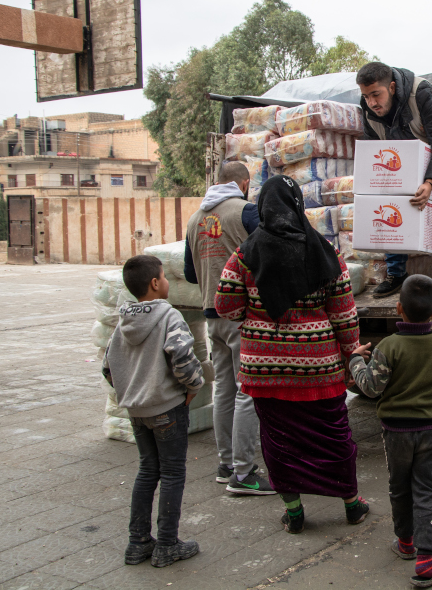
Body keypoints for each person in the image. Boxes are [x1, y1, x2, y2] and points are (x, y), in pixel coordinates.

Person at [214, 175, 368, 534]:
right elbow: (344, 314)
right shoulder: (325, 253)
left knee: (278, 441)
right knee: (334, 436)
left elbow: (224, 305)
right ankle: (351, 503)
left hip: (265, 371)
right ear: (298, 205)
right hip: (320, 369)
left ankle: (294, 512)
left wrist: (253, 318)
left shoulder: (245, 255)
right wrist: (351, 355)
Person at [350, 275, 432, 588]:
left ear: (398, 308)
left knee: (399, 486)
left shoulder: (389, 346)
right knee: (427, 490)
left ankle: (406, 542)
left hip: (395, 431)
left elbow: (370, 388)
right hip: (431, 431)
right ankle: (426, 559)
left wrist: (356, 360)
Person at [102, 255, 204, 568]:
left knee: (148, 471)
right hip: (168, 409)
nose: (168, 282)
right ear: (155, 283)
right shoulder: (168, 316)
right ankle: (168, 545)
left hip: (137, 411)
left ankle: (138, 543)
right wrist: (193, 387)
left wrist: (130, 393)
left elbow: (108, 367)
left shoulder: (124, 320)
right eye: (165, 277)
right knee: (172, 473)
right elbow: (183, 358)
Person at [356, 62, 432, 298]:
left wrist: (430, 182)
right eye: (366, 96)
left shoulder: (421, 93)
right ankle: (396, 273)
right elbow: (375, 148)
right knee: (393, 197)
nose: (372, 102)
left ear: (392, 87)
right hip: (409, 150)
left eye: (376, 94)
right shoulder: (367, 108)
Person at [184, 161, 273, 495]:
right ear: (245, 183)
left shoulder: (195, 220)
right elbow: (268, 256)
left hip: (211, 313)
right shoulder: (246, 212)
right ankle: (244, 472)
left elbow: (191, 274)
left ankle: (225, 464)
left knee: (223, 387)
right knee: (247, 390)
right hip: (243, 316)